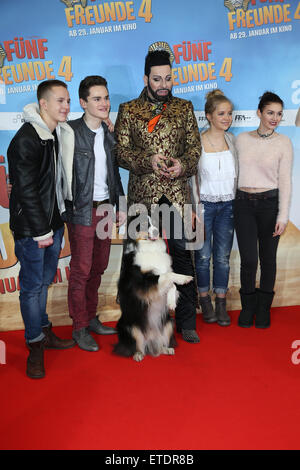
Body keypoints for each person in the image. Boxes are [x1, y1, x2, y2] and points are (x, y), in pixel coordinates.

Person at [114, 46, 201, 343]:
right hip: (142, 195)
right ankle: (135, 320)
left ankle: (187, 321)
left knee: (182, 258)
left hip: (176, 195)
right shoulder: (129, 110)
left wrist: (183, 166)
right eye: (157, 79)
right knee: (137, 260)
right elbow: (121, 153)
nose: (163, 85)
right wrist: (146, 161)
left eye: (168, 78)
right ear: (146, 78)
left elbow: (194, 149)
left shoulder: (184, 107)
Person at [7, 79, 75, 379]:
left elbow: (56, 184)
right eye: (60, 101)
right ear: (43, 104)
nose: (66, 106)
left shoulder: (55, 133)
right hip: (32, 230)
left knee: (44, 282)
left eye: (68, 101)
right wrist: (41, 231)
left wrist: (58, 221)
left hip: (52, 224)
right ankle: (34, 344)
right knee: (32, 287)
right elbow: (26, 191)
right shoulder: (26, 139)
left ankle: (44, 330)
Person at [65, 75, 126, 352]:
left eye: (106, 97)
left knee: (99, 267)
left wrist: (121, 204)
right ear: (83, 103)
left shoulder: (109, 134)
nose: (104, 103)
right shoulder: (69, 132)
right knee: (81, 271)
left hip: (105, 209)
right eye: (97, 99)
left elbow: (114, 173)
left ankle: (90, 318)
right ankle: (78, 327)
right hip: (81, 212)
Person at [234, 91, 293, 328]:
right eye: (270, 112)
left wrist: (283, 215)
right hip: (243, 205)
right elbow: (234, 174)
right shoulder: (241, 139)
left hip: (270, 204)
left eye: (279, 114)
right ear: (259, 112)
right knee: (249, 259)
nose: (275, 118)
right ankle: (247, 307)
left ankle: (263, 309)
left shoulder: (284, 143)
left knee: (268, 259)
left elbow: (285, 181)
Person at [189, 90, 238, 326]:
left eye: (229, 113)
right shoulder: (196, 142)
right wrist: (193, 208)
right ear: (209, 116)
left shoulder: (233, 142)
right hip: (203, 207)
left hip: (228, 206)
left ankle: (221, 301)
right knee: (203, 256)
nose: (227, 118)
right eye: (221, 113)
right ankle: (204, 300)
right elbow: (190, 179)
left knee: (223, 257)